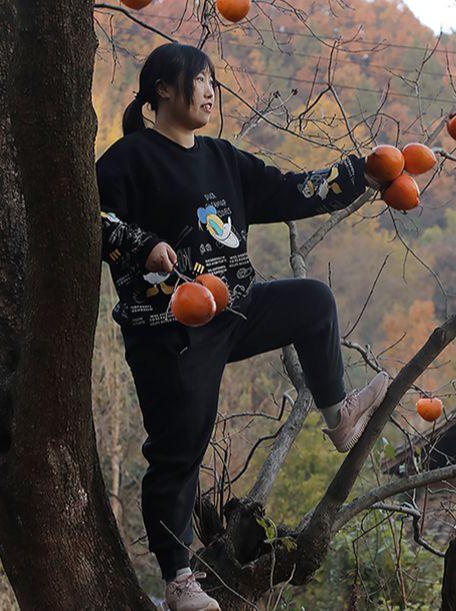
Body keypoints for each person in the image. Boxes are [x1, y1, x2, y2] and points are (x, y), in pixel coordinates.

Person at [96, 42, 390, 611]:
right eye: (199, 80)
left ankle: (339, 416)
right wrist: (145, 245)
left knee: (311, 300)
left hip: (234, 309)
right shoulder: (127, 159)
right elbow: (97, 220)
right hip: (167, 329)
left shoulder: (223, 158)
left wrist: (362, 174)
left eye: (212, 83)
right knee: (178, 451)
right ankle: (179, 580)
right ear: (162, 88)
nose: (210, 91)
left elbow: (289, 189)